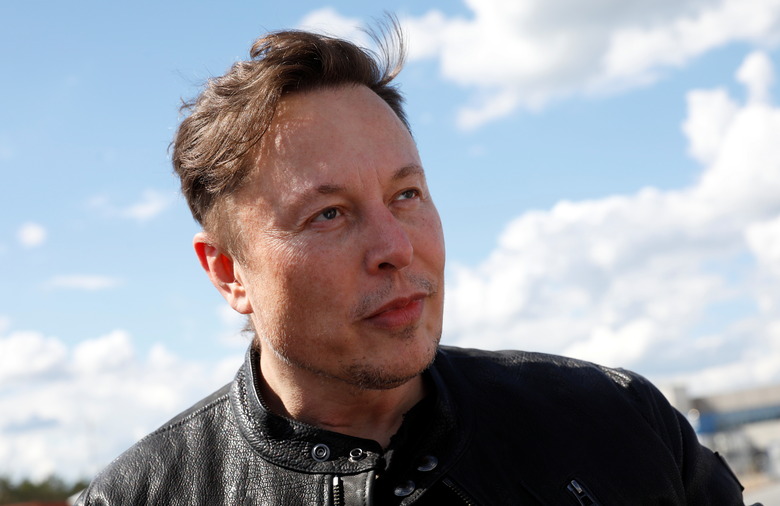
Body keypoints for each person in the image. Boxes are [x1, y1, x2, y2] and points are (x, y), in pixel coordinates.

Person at [75, 23, 750, 505]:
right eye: (329, 214)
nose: (396, 247)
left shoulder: (616, 422)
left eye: (406, 195)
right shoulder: (139, 496)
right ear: (227, 273)